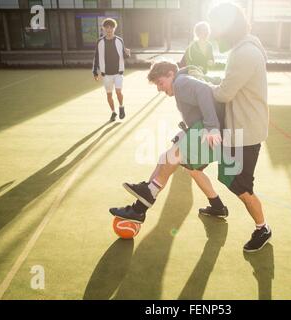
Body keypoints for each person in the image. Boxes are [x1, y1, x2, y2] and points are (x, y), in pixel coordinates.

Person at [109, 61, 228, 223]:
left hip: (211, 132)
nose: (159, 88)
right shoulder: (182, 82)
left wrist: (212, 126)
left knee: (170, 159)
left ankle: (140, 206)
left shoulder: (180, 83)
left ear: (171, 74)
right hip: (204, 129)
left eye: (160, 83)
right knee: (184, 166)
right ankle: (217, 206)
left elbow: (204, 91)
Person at [208, 3, 272, 253]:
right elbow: (229, 85)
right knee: (228, 177)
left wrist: (204, 87)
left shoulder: (244, 52)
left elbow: (224, 94)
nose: (213, 31)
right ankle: (217, 206)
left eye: (216, 25)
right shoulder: (243, 48)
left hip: (246, 131)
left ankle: (262, 228)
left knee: (242, 186)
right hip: (240, 128)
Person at [93, 18, 131, 122]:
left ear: (114, 29)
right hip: (106, 74)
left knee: (118, 92)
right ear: (103, 29)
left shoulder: (119, 40)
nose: (109, 30)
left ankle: (121, 106)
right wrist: (95, 72)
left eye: (111, 28)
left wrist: (127, 54)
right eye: (107, 28)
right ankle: (113, 112)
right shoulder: (99, 42)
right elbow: (96, 57)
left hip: (118, 72)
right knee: (109, 95)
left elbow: (123, 56)